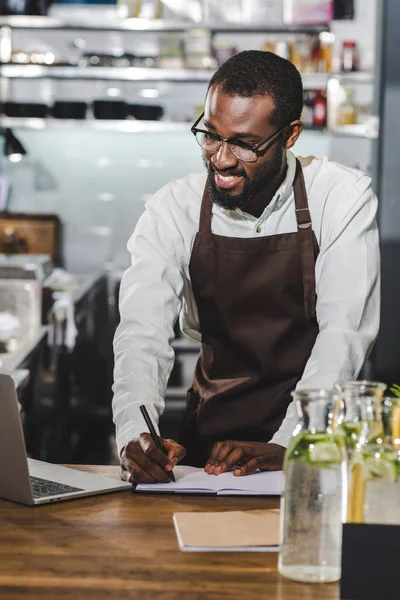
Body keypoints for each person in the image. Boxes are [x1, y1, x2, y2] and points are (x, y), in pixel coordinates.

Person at [113, 50, 380, 484]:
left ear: (290, 134)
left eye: (244, 143)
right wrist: (136, 432)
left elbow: (344, 334)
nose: (220, 158)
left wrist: (290, 441)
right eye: (211, 135)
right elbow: (141, 333)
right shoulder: (172, 208)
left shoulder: (341, 198)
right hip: (208, 443)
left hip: (312, 442)